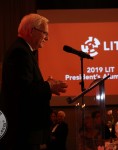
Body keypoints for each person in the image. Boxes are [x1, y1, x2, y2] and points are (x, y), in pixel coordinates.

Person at [0, 13, 68, 150]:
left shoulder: (24, 50)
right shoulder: (20, 52)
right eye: (45, 33)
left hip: (25, 131)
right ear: (32, 31)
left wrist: (46, 85)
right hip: (22, 131)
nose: (47, 38)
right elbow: (24, 91)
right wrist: (48, 86)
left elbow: (26, 86)